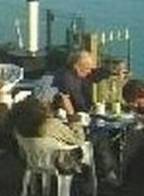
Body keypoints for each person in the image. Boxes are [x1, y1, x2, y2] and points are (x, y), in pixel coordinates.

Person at [52, 49, 125, 185]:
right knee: (101, 135)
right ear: (76, 66)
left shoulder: (81, 73)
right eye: (87, 68)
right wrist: (75, 120)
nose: (90, 71)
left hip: (84, 117)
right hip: (69, 123)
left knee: (107, 131)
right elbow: (64, 103)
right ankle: (109, 173)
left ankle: (104, 172)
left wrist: (115, 72)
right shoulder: (64, 80)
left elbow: (96, 73)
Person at [9, 96, 85, 174]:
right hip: (59, 166)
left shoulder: (18, 128)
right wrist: (70, 112)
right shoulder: (49, 125)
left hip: (33, 166)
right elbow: (79, 139)